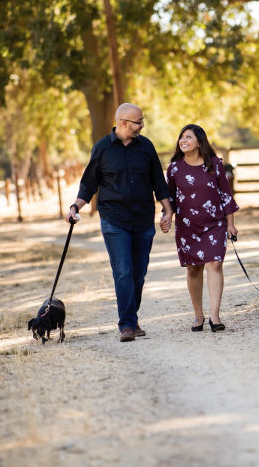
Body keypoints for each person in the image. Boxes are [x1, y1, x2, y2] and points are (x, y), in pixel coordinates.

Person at [65, 103, 174, 342]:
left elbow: (159, 181)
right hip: (114, 220)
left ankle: (131, 320)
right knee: (123, 271)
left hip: (143, 219)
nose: (142, 125)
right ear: (123, 122)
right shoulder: (102, 148)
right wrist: (75, 207)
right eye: (138, 122)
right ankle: (127, 324)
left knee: (138, 274)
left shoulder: (146, 147)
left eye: (142, 121)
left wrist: (168, 211)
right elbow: (89, 183)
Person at [166, 124, 239, 332]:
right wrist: (167, 216)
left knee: (214, 264)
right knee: (193, 268)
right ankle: (198, 315)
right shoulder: (174, 168)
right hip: (187, 227)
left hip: (214, 224)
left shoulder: (214, 164)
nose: (183, 140)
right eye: (181, 137)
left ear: (199, 141)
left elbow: (226, 195)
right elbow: (169, 198)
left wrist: (230, 224)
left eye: (188, 137)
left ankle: (215, 316)